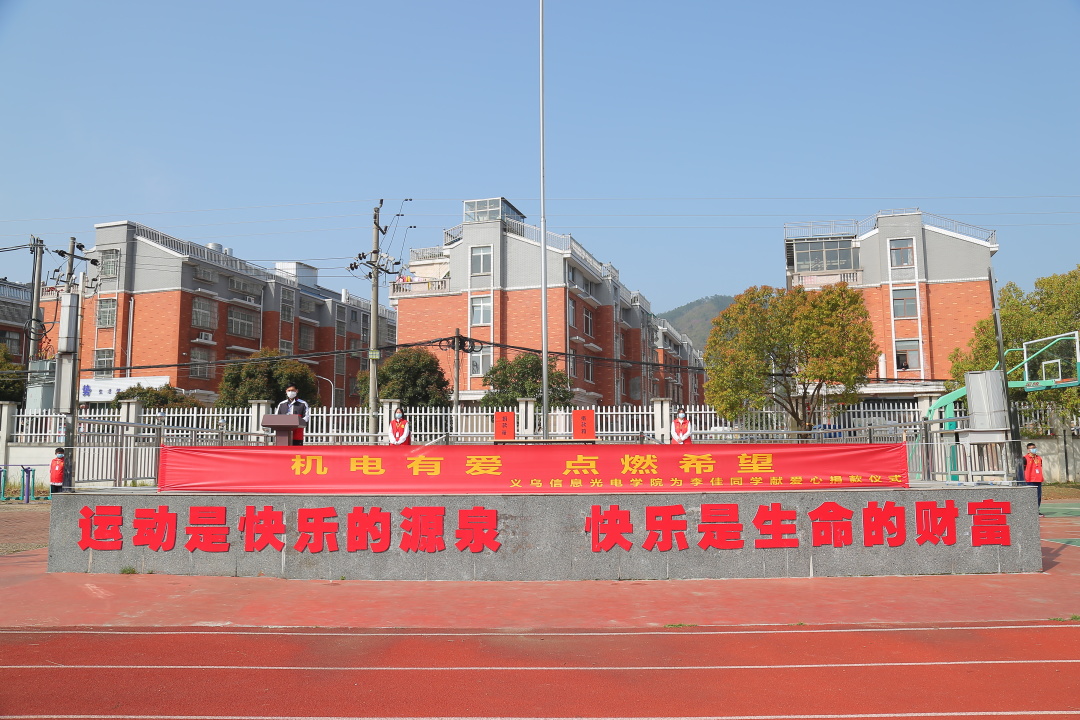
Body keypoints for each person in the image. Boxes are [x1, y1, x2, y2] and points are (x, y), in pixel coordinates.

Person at [1019, 442, 1044, 516]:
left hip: (1038, 480)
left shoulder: (1039, 458)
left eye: (1034, 448)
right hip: (1029, 480)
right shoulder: (1025, 458)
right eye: (1032, 448)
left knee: (1038, 496)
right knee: (1030, 496)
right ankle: (1029, 511)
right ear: (1028, 450)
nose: (1034, 449)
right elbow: (1022, 470)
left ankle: (1036, 510)